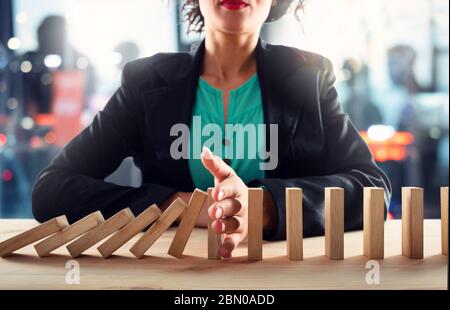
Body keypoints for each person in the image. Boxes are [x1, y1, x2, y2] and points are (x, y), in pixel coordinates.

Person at [32, 0, 391, 259]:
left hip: (285, 273)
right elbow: (51, 190)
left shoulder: (309, 75)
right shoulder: (146, 82)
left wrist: (264, 206)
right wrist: (180, 205)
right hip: (168, 272)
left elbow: (372, 187)